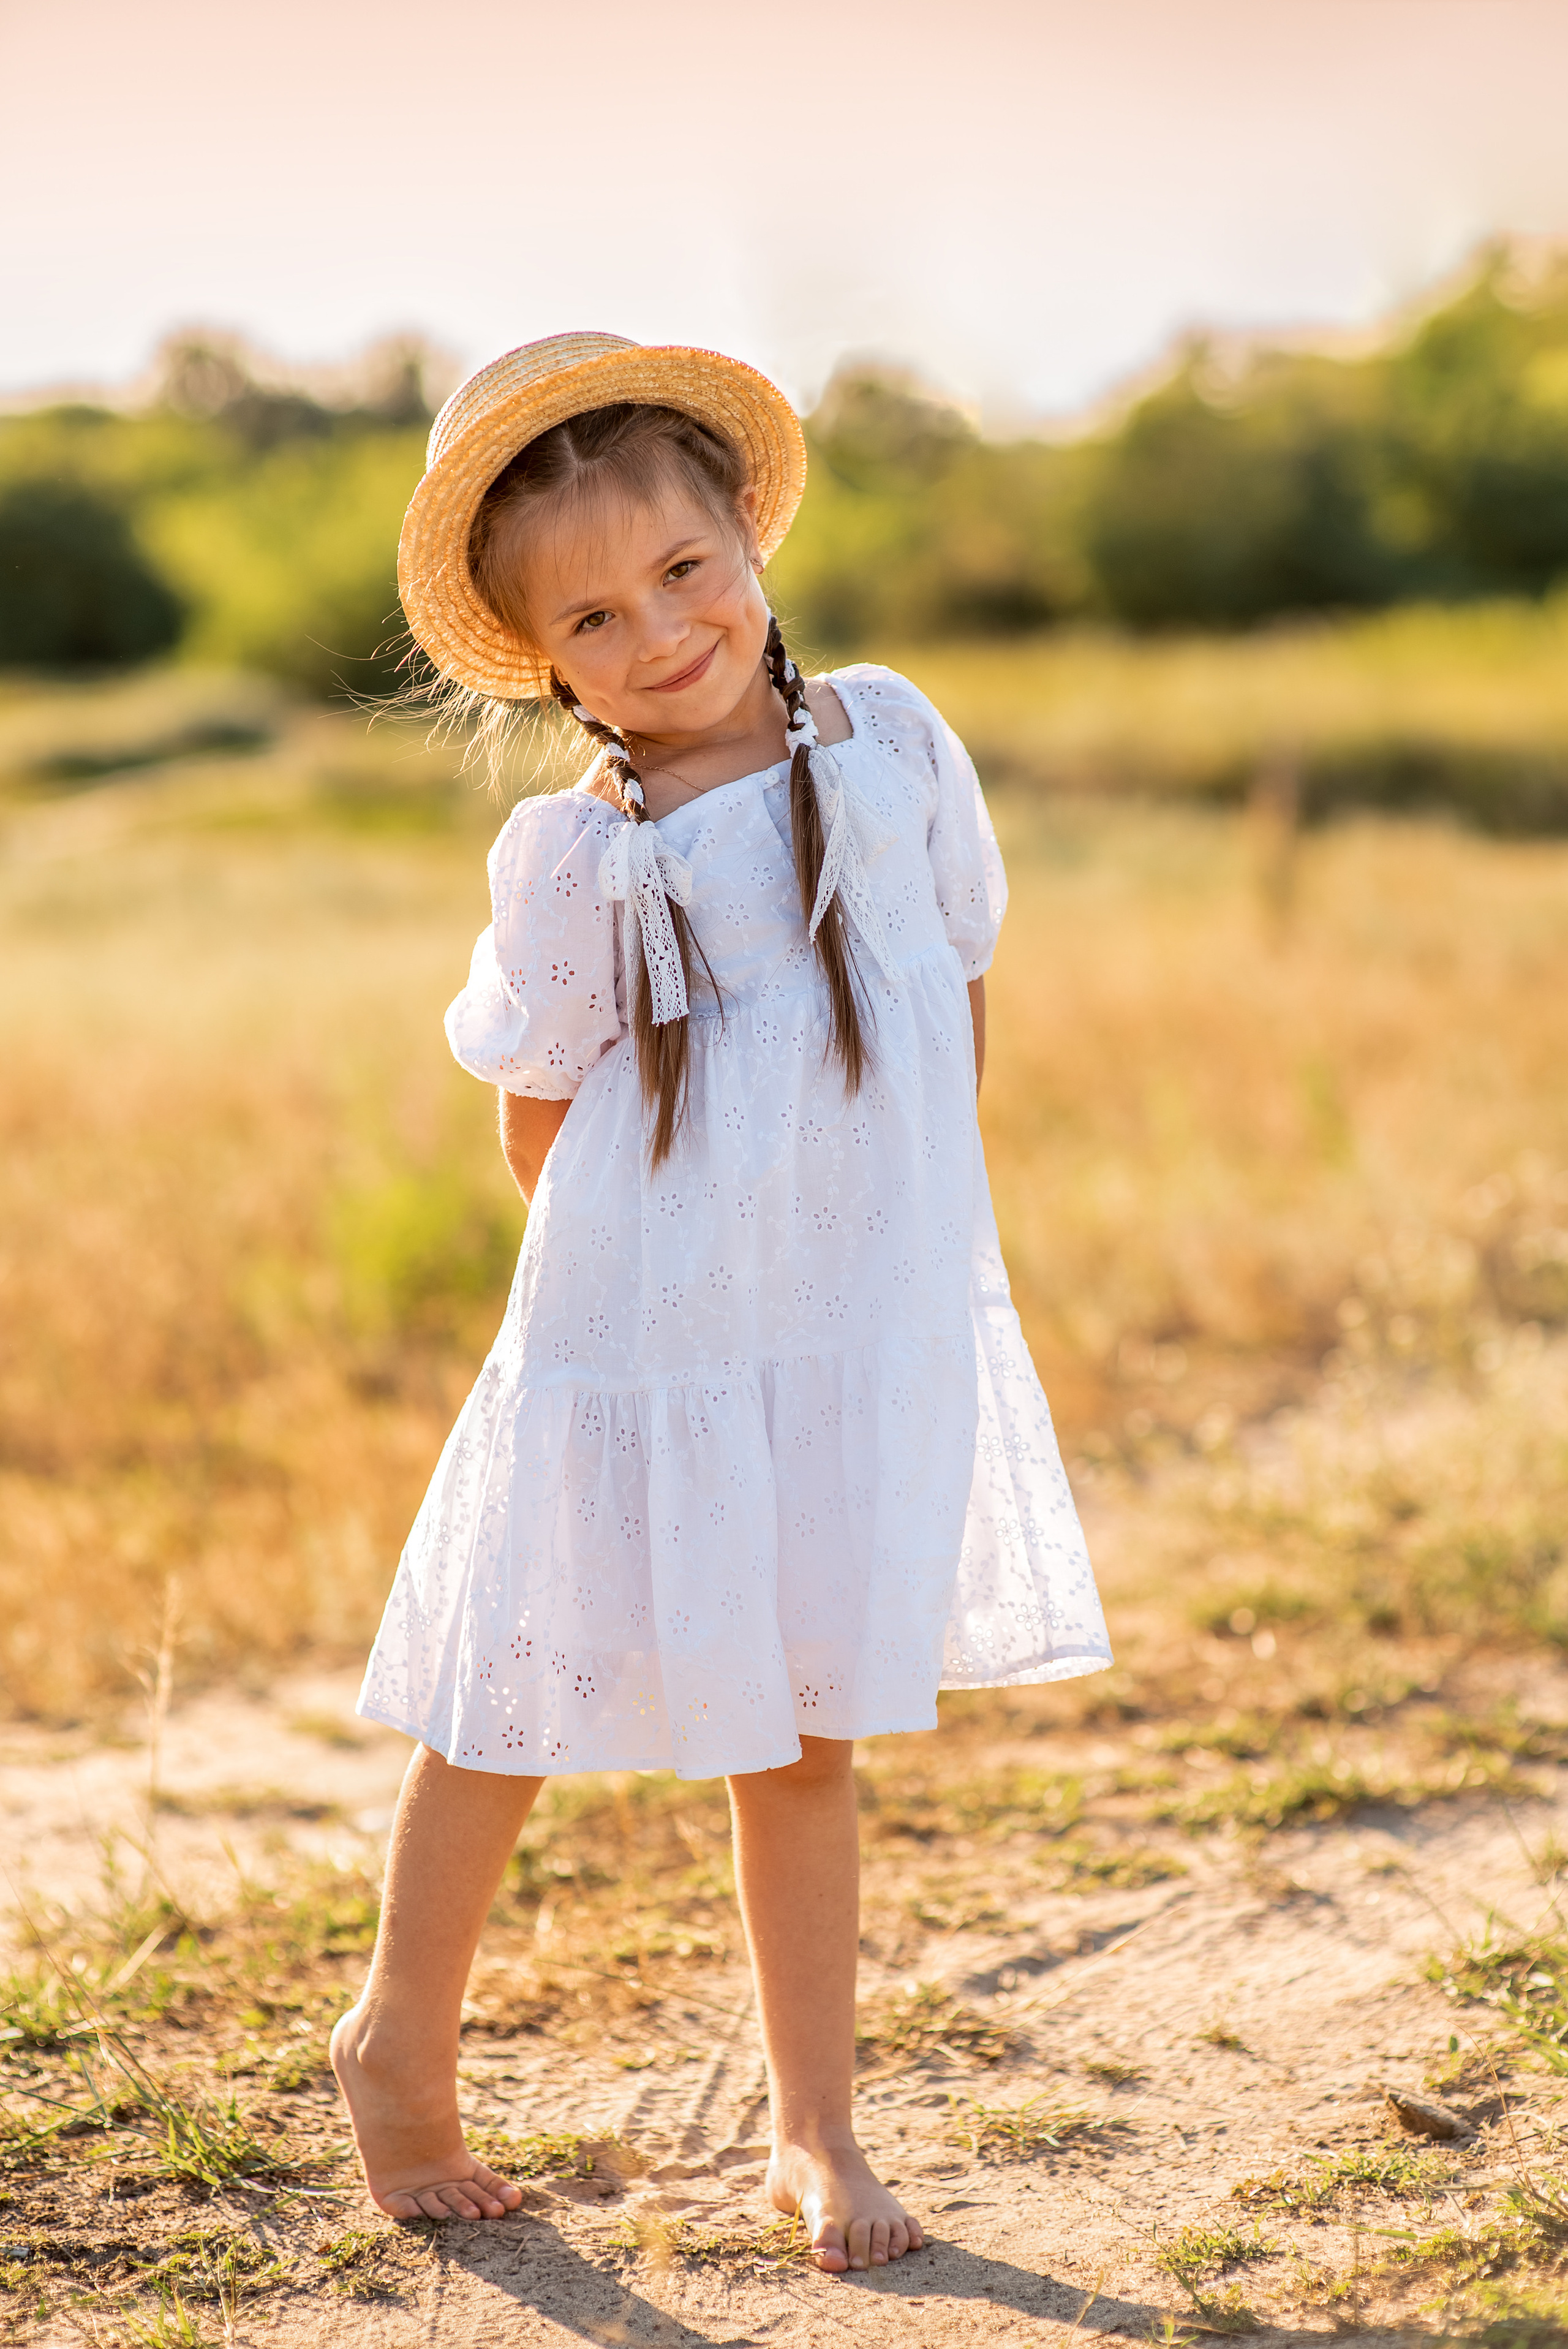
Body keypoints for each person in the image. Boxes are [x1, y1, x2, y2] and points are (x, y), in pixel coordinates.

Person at [331, 332, 1111, 2275]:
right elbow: (541, 1122)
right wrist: (656, 1317)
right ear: (544, 663)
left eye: (685, 569)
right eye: (593, 615)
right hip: (642, 1337)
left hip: (845, 1320)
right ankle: (397, 2044)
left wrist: (873, 1258)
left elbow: (953, 995)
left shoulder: (894, 742)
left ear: (749, 536)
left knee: (810, 1723)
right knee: (512, 1678)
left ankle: (813, 2129)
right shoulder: (579, 856)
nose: (660, 630)